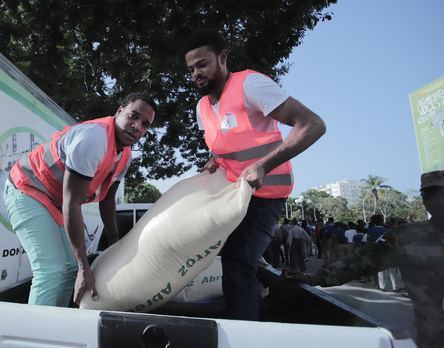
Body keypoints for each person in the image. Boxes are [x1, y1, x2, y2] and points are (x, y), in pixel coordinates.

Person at [183, 30, 326, 320]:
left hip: (266, 193)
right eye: (191, 69)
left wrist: (263, 165)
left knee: (238, 264)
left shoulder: (251, 85)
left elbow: (312, 125)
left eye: (202, 64)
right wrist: (213, 162)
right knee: (236, 259)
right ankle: (274, 292)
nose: (196, 73)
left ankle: (243, 331)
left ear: (222, 57)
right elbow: (226, 143)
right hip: (234, 193)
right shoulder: (201, 107)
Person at [4, 93, 156, 307]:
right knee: (51, 270)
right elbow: (72, 202)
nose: (137, 126)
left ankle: (54, 327)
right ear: (119, 111)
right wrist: (84, 266)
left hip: (55, 201)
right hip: (27, 188)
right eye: (133, 116)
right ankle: (33, 334)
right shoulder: (94, 139)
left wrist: (114, 242)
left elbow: (108, 200)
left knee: (69, 270)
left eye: (145, 124)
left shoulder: (125, 155)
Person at [285, 170, 444, 347]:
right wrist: (313, 278)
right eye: (430, 194)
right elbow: (359, 262)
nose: (437, 200)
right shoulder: (406, 237)